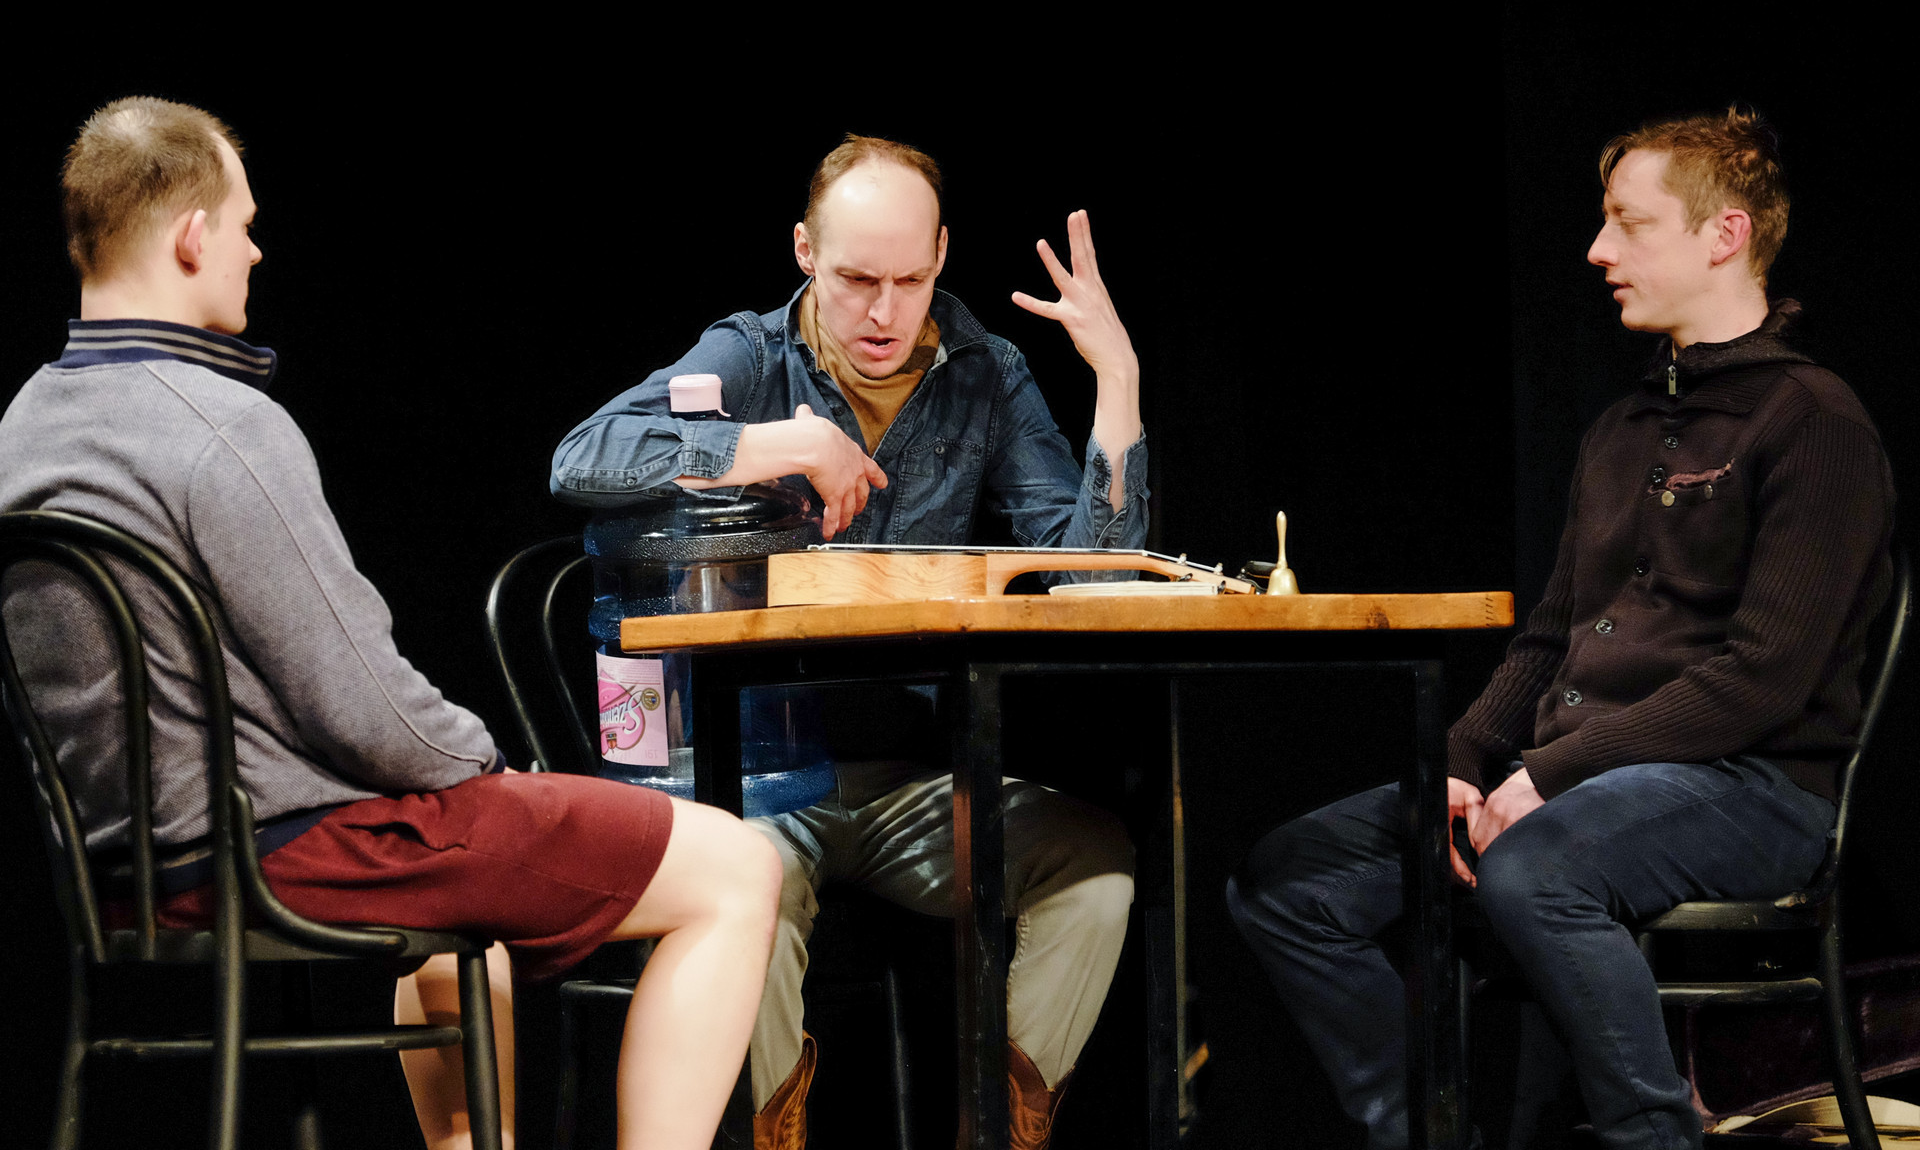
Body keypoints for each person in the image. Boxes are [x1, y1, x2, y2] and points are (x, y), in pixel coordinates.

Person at [0, 96, 782, 1150]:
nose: (254, 250)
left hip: (123, 877)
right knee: (735, 866)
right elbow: (363, 707)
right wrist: (482, 766)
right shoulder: (220, 427)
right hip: (279, 853)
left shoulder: (25, 424)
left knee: (476, 887)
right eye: (243, 225)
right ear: (190, 235)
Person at [1226, 108, 1895, 1150]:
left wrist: (1550, 774)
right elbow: (1549, 639)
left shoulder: (1814, 422)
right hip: (1581, 779)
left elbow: (1761, 677)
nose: (1597, 249)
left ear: (1723, 235)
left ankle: (1655, 1138)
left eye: (1631, 223)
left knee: (1535, 866)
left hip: (1755, 787)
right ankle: (1425, 1131)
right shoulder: (1622, 428)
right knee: (1289, 876)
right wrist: (1462, 759)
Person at [551, 135, 1147, 1148]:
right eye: (856, 280)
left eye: (909, 281)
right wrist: (774, 441)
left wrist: (1118, 381)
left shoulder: (986, 373)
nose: (883, 312)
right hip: (754, 781)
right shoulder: (753, 355)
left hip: (908, 778)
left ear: (942, 256)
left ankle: (1000, 1133)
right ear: (804, 254)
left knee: (1094, 864)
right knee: (743, 886)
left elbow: (1099, 579)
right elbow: (582, 459)